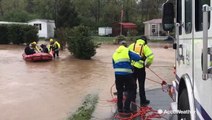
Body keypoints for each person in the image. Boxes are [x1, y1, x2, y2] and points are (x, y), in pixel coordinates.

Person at [112, 41, 142, 113]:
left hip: (117, 75)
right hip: (127, 74)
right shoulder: (127, 50)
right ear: (126, 46)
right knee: (132, 89)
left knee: (119, 91)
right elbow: (138, 58)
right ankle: (126, 107)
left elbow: (114, 65)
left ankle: (120, 108)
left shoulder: (114, 53)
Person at [128, 36, 154, 106]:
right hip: (140, 69)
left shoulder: (131, 45)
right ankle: (143, 100)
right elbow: (151, 56)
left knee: (133, 84)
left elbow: (126, 54)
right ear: (145, 41)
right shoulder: (144, 47)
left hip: (132, 68)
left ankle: (132, 99)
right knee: (141, 85)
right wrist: (148, 64)